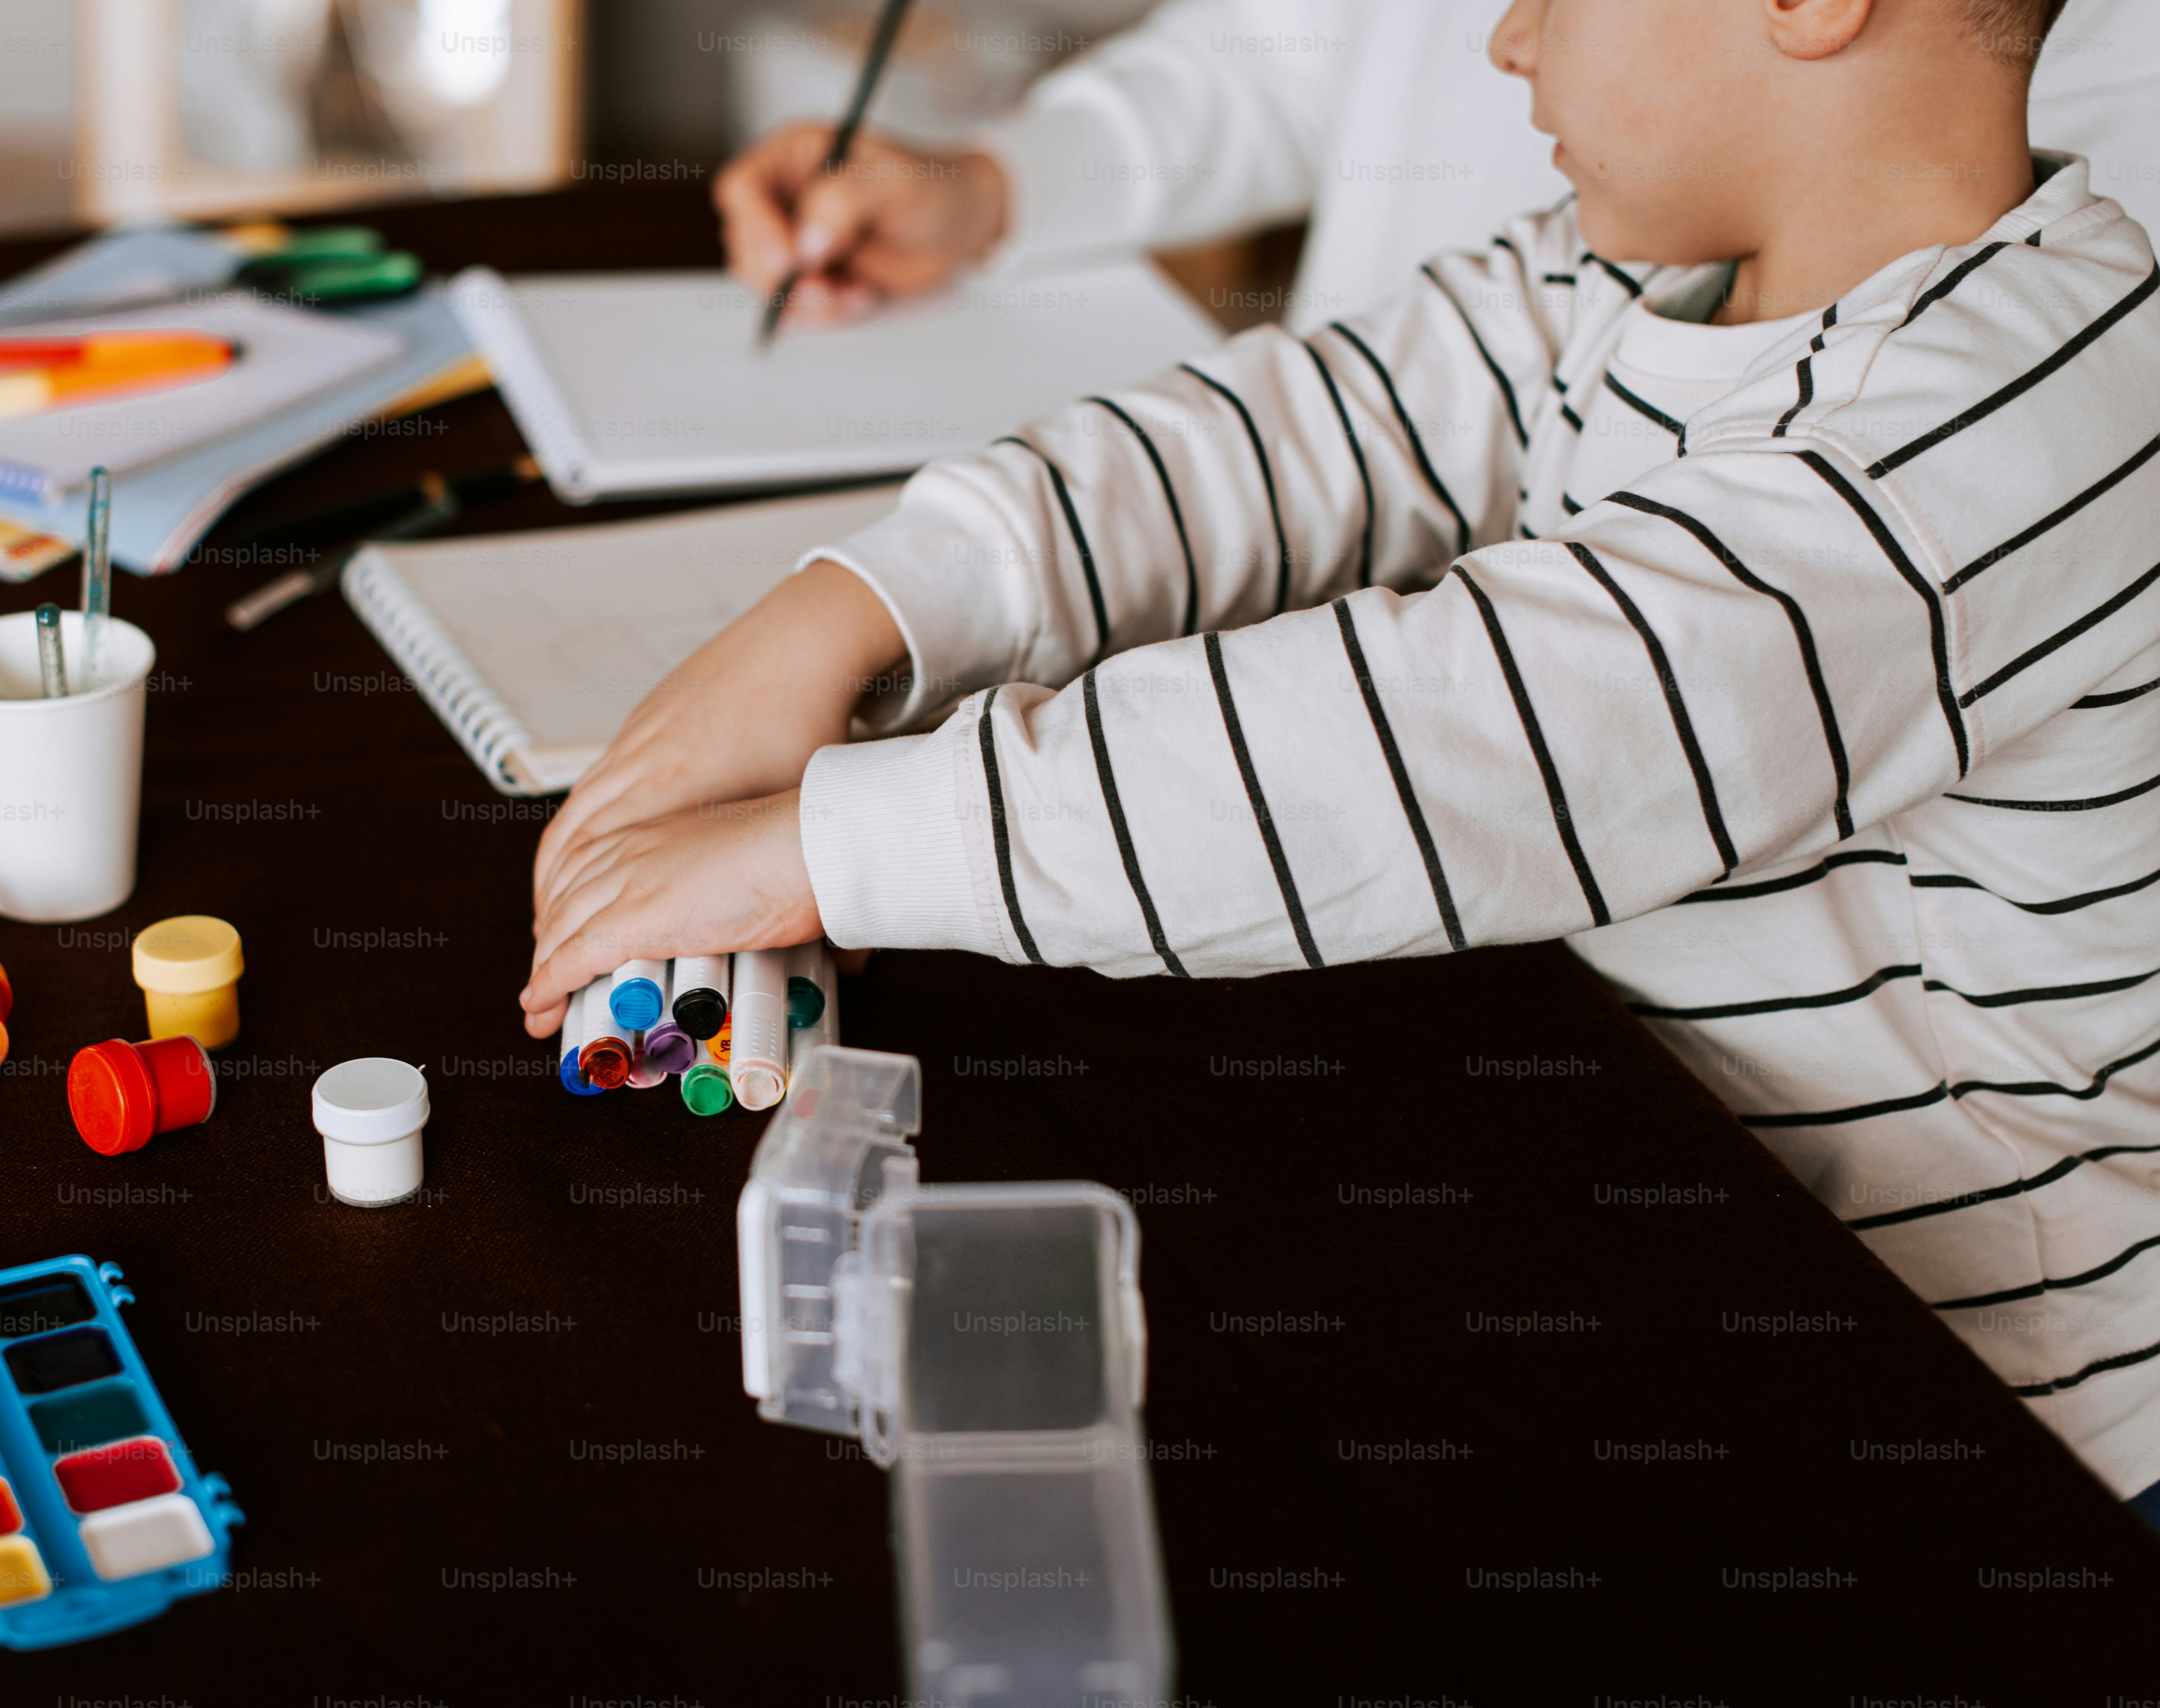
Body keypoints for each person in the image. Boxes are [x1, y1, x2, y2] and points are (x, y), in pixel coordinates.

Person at [525, 0, 2160, 1503]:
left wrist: (835, 842)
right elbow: (1307, 426)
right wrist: (848, 611)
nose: (1508, 41)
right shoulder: (1640, 276)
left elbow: (1441, 740)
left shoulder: (1988, 429)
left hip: (1979, 1392)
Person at [714, 0, 2160, 329]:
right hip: (1347, 603)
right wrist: (999, 186)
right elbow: (1302, 45)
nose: (1503, 41)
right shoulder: (1453, 356)